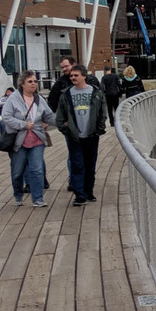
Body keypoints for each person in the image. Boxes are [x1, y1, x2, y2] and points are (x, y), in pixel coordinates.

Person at [2, 71, 56, 208]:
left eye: (35, 81)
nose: (34, 84)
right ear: (22, 84)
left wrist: (64, 122)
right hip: (18, 142)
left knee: (37, 169)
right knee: (17, 172)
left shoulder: (39, 99)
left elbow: (48, 115)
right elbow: (6, 117)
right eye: (30, 81)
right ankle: (18, 195)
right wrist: (24, 125)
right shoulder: (13, 99)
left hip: (37, 139)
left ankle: (37, 198)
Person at [55, 64, 106, 206]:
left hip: (91, 135)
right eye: (71, 76)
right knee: (77, 165)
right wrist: (66, 130)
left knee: (90, 165)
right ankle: (80, 195)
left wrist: (99, 128)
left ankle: (88, 191)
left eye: (76, 75)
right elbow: (59, 116)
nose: (73, 78)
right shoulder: (66, 94)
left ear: (84, 76)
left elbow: (103, 111)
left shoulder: (95, 92)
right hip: (74, 137)